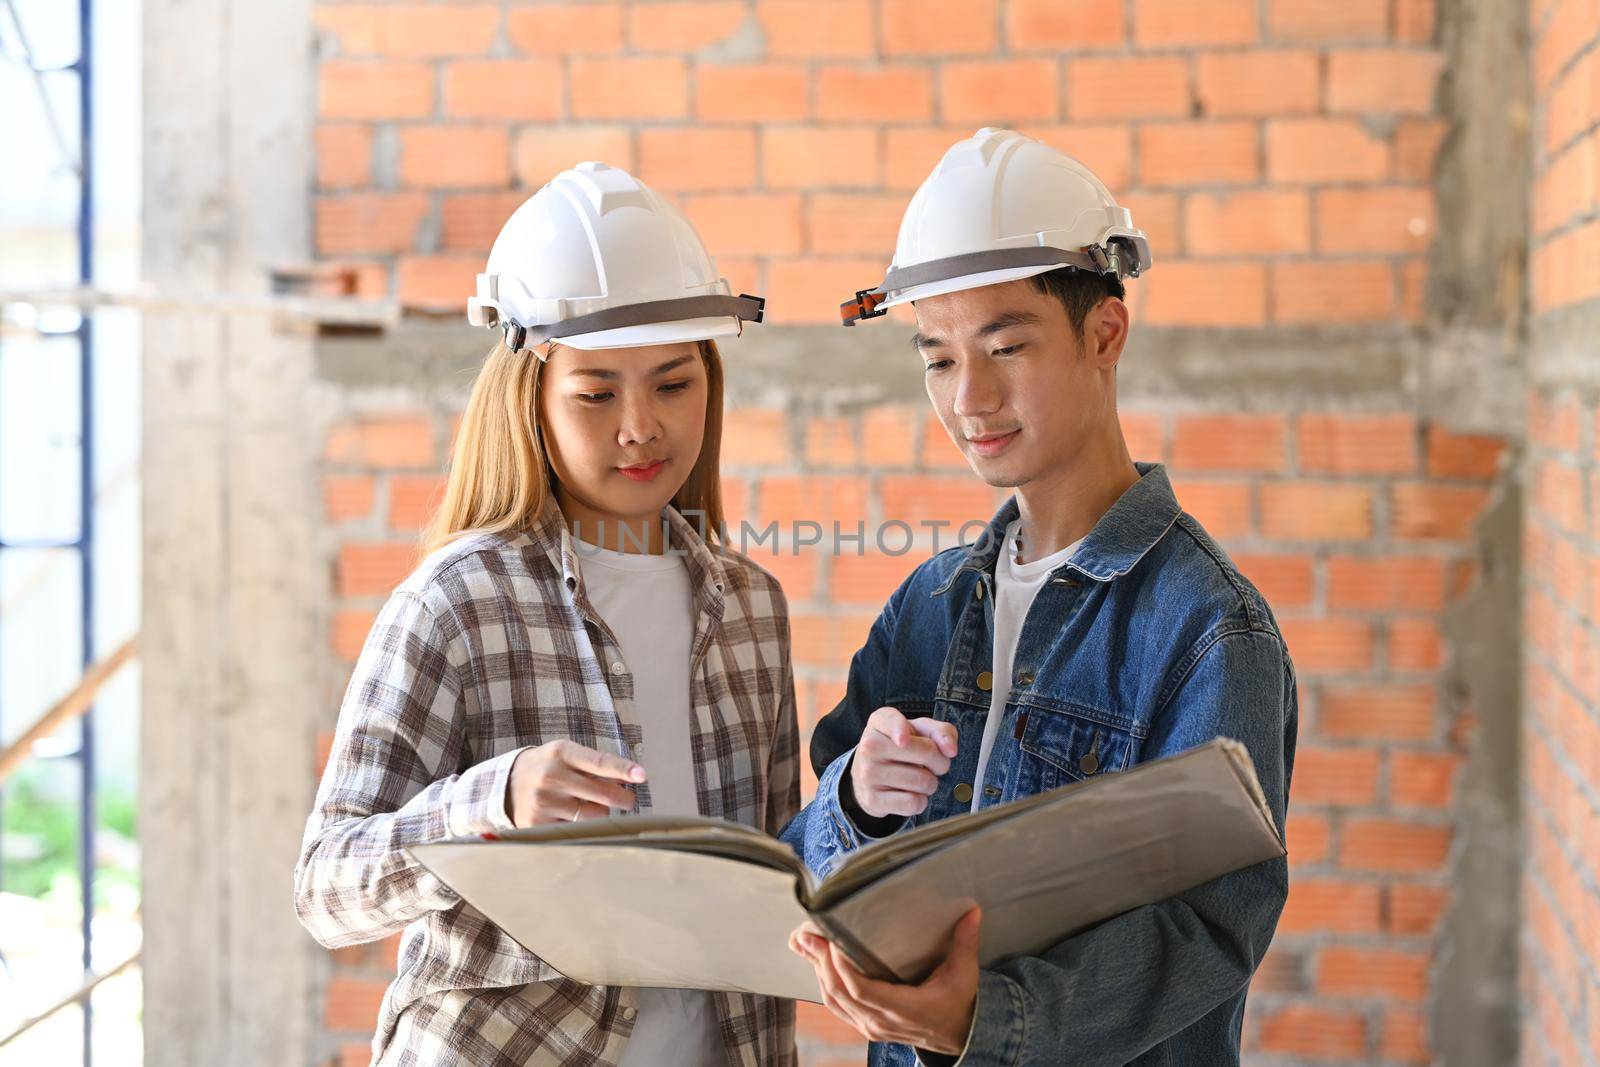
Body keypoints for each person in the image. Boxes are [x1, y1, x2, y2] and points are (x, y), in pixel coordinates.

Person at [780, 127, 1299, 1066]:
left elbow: (1214, 929)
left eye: (1006, 346)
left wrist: (984, 1018)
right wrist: (853, 800)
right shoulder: (925, 611)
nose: (970, 398)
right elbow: (809, 878)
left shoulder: (1210, 630)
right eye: (938, 358)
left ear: (1104, 333)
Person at [295, 161, 799, 1067]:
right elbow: (328, 888)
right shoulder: (458, 601)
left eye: (673, 384)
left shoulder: (752, 609)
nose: (640, 426)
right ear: (532, 395)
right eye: (597, 393)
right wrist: (496, 801)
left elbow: (775, 884)